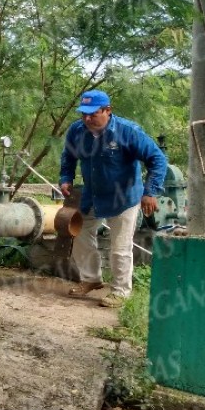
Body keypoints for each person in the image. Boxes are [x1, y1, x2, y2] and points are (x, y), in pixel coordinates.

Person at [59, 90, 167, 308]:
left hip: (124, 198)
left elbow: (158, 159)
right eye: (83, 114)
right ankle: (91, 279)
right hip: (93, 195)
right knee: (80, 232)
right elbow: (68, 155)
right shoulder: (77, 131)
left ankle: (120, 291)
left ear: (107, 111)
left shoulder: (128, 132)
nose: (87, 119)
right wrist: (66, 177)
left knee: (120, 247)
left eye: (93, 114)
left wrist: (150, 192)